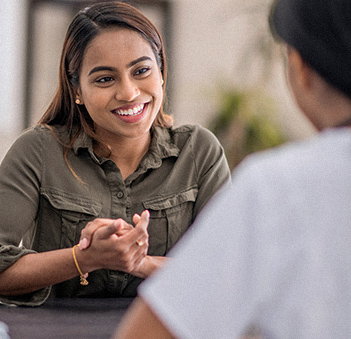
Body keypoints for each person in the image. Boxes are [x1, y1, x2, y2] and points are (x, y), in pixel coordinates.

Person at [114, 0, 351, 338]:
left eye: (142, 70)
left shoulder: (274, 187)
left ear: (300, 67)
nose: (128, 92)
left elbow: (148, 332)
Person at [0, 1, 230, 306]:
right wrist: (83, 258)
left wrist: (140, 262)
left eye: (142, 70)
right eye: (105, 79)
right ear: (77, 90)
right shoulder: (38, 151)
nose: (128, 92)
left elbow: (228, 274)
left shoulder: (199, 151)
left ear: (161, 72)